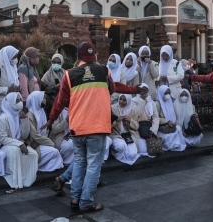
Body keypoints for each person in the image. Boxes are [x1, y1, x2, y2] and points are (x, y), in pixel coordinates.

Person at [43, 41, 115, 213]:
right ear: (95, 55)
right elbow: (111, 89)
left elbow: (60, 102)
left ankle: (75, 198)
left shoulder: (69, 75)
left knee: (81, 162)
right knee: (93, 165)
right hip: (97, 125)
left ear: (77, 57)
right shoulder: (104, 70)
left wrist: (51, 120)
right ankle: (86, 202)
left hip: (77, 126)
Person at [0, 92, 38, 193]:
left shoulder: (19, 115)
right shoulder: (2, 118)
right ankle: (16, 180)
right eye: (17, 101)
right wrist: (19, 144)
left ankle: (25, 180)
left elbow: (24, 136)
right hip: (4, 145)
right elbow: (3, 139)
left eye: (20, 100)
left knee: (34, 154)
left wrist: (24, 120)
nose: (20, 103)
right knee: (16, 151)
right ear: (10, 103)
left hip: (17, 143)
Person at [26, 91, 64, 172]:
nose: (45, 100)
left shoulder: (42, 112)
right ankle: (45, 169)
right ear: (37, 100)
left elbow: (46, 130)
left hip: (41, 142)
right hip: (33, 144)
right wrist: (48, 142)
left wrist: (42, 141)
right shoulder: (30, 115)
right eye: (42, 98)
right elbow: (34, 135)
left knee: (56, 153)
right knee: (55, 152)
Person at [0, 46, 20, 118]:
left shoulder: (13, 68)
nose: (15, 59)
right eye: (14, 57)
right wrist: (8, 89)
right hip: (1, 105)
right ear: (8, 56)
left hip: (12, 104)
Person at [109, 94, 139, 165]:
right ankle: (114, 153)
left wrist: (130, 120)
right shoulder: (112, 108)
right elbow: (107, 125)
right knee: (121, 147)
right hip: (116, 134)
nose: (121, 101)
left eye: (124, 100)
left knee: (132, 154)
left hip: (128, 135)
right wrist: (116, 120)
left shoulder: (132, 110)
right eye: (120, 99)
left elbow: (137, 126)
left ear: (128, 101)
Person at [155, 86, 186, 152]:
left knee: (178, 129)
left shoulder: (170, 102)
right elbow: (155, 119)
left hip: (171, 127)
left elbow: (174, 117)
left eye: (168, 93)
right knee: (168, 138)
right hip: (162, 128)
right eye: (165, 93)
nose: (167, 95)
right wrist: (167, 121)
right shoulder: (157, 104)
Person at [41, 53, 65, 118]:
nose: (56, 64)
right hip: (50, 103)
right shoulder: (47, 75)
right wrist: (54, 88)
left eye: (58, 62)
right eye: (54, 62)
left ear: (62, 63)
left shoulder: (65, 74)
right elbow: (43, 88)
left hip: (63, 102)